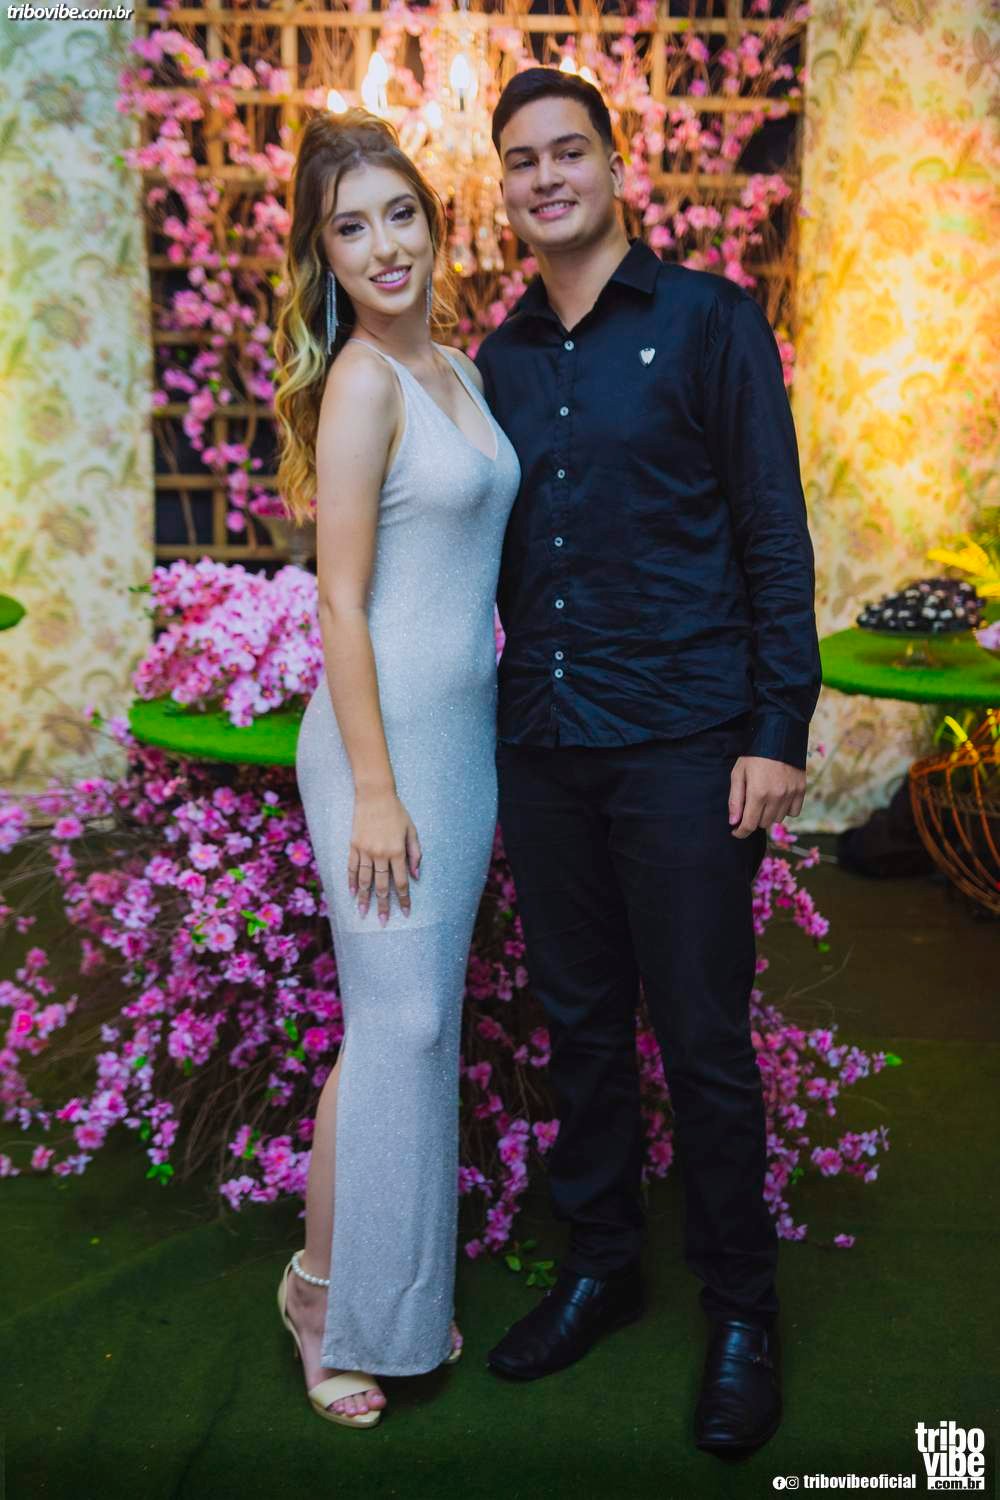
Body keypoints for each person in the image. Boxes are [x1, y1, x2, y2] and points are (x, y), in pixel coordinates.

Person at [474, 69, 821, 1454]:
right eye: (521, 162)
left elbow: (772, 529)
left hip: (685, 740)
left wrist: (777, 729)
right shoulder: (498, 359)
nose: (546, 177)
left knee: (703, 1039)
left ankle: (743, 1311)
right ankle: (605, 1266)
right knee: (578, 1027)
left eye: (568, 152)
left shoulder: (711, 322)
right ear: (503, 189)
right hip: (546, 742)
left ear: (616, 167)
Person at [272, 108, 520, 1429]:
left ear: (433, 220)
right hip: (381, 750)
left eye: (400, 214)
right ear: (325, 255)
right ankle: (321, 1299)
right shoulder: (365, 382)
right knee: (398, 1027)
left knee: (418, 1026)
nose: (384, 246)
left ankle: (397, 1298)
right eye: (351, 227)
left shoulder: (459, 372)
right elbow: (340, 600)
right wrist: (374, 786)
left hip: (460, 743)